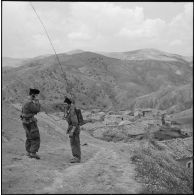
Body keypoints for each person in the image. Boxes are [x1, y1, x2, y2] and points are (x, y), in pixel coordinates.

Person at [20, 88, 41, 159]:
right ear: (33, 95)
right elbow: (37, 109)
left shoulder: (25, 101)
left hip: (25, 122)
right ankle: (33, 153)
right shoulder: (30, 103)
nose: (37, 97)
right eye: (36, 95)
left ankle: (28, 151)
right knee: (35, 137)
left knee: (29, 136)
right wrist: (37, 102)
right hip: (30, 123)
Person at [63, 97, 81, 163]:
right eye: (63, 104)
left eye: (65, 104)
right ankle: (75, 157)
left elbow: (75, 123)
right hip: (72, 128)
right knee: (73, 143)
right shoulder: (68, 110)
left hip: (75, 129)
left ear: (69, 104)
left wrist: (72, 132)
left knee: (75, 143)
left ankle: (77, 158)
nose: (64, 105)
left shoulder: (72, 111)